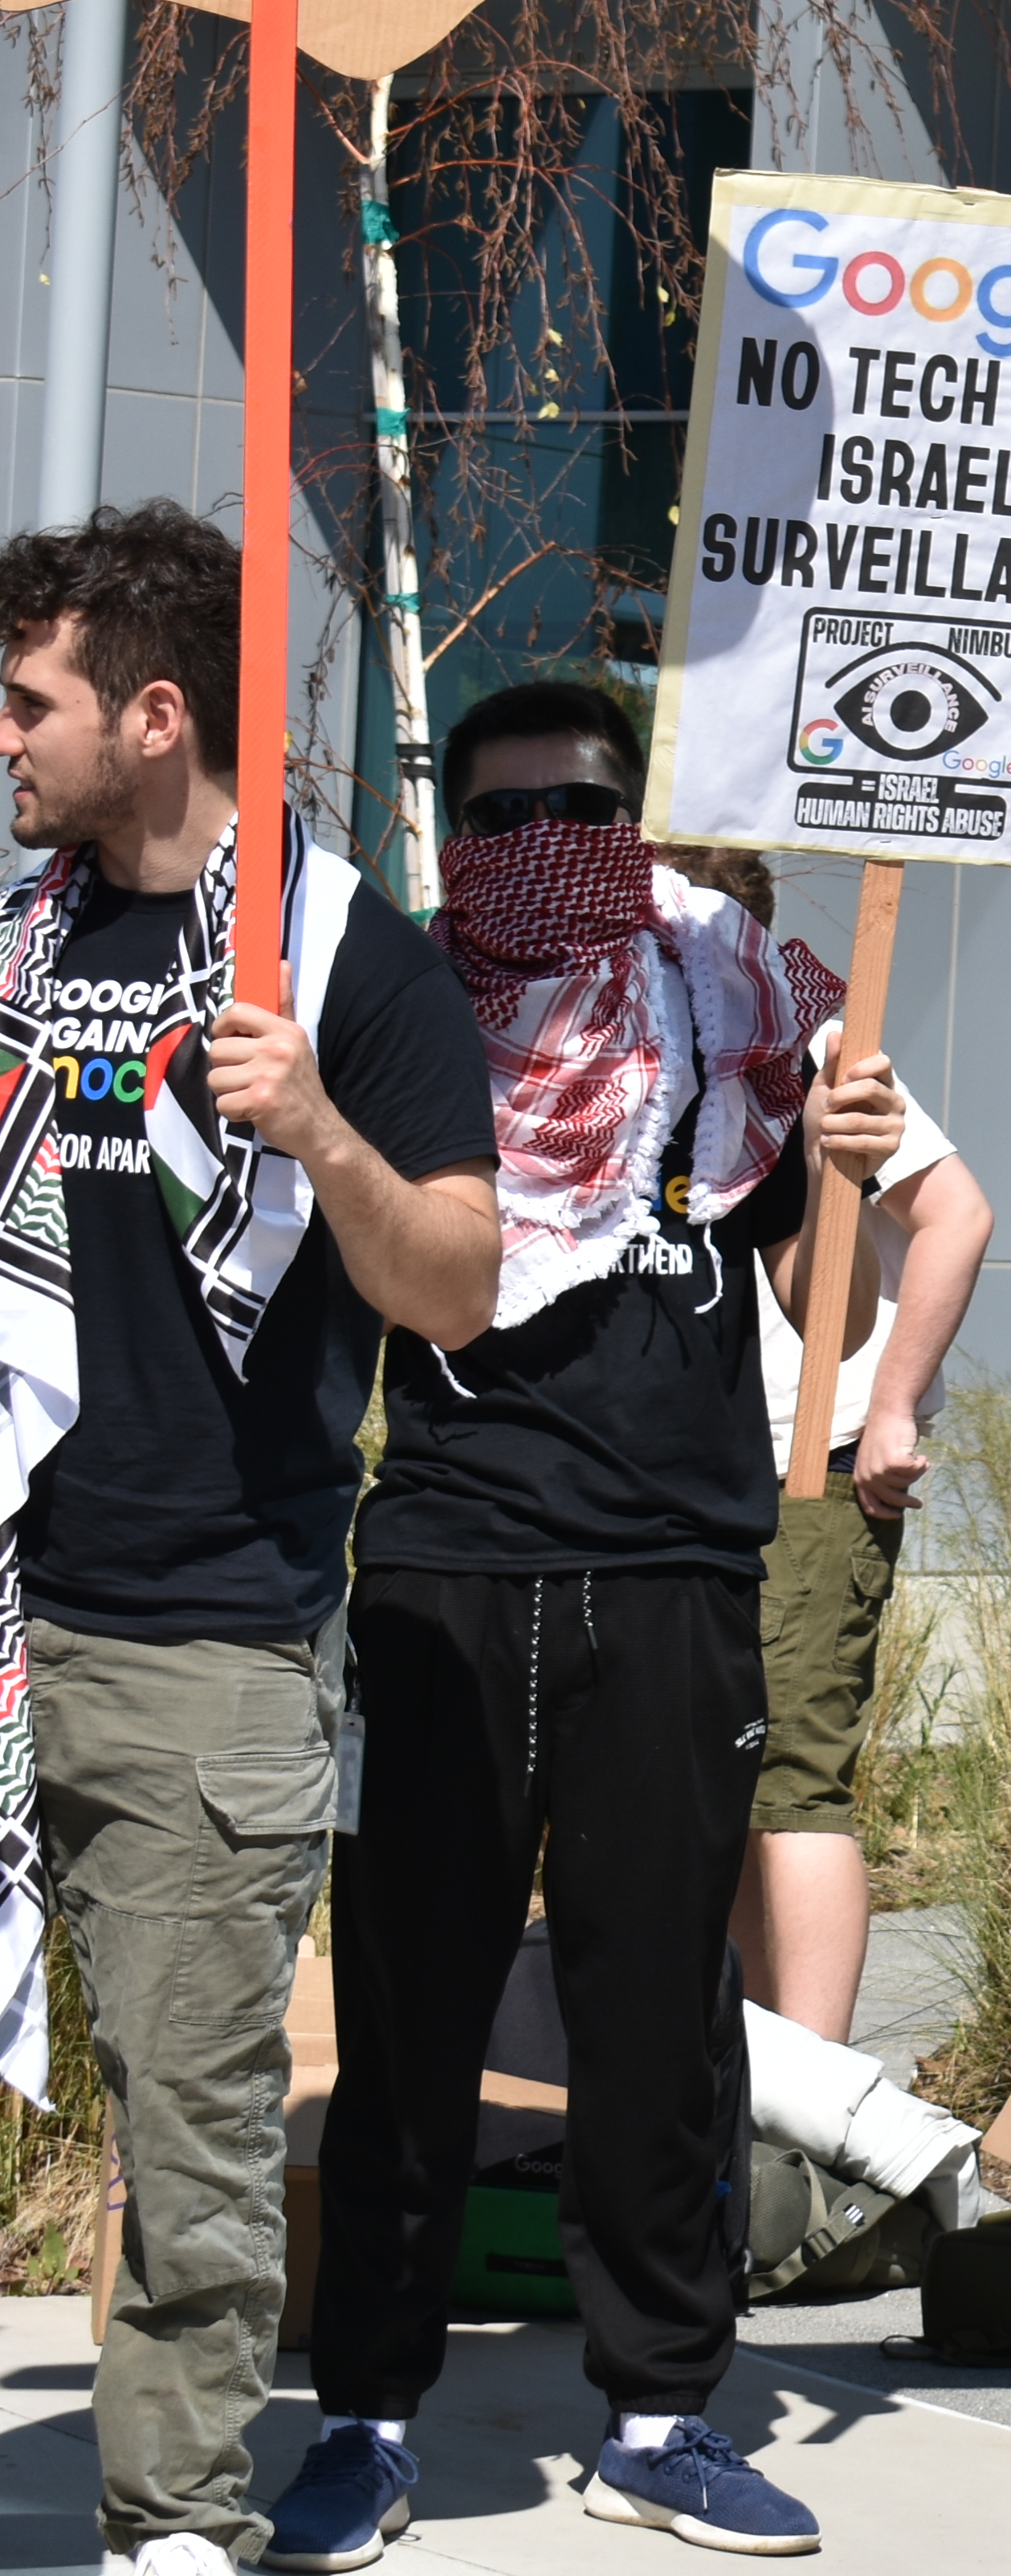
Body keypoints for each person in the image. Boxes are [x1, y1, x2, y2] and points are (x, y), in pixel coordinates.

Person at [275, 678, 903, 2570]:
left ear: (636, 825)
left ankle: (660, 2410)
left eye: (582, 811)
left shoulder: (736, 1016)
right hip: (447, 1575)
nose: (541, 849)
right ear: (453, 840)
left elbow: (839, 1319)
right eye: (501, 819)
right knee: (410, 2019)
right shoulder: (397, 1022)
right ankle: (370, 2413)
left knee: (659, 2024)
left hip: (674, 1582)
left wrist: (847, 1157)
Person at [0, 508, 499, 2576]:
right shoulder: (15, 944)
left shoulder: (348, 965)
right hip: (11, 1605)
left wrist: (319, 1136)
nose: (5, 740)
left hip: (212, 1641)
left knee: (192, 2137)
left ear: (155, 711)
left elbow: (459, 1281)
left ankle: (173, 2523)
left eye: (30, 704)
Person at [660, 848, 997, 2047]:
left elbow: (958, 1212)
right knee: (718, 1789)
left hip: (804, 1462)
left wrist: (895, 1405)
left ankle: (805, 2100)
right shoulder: (617, 1048)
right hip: (668, 1474)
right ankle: (740, 2071)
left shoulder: (818, 1044)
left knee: (793, 1779)